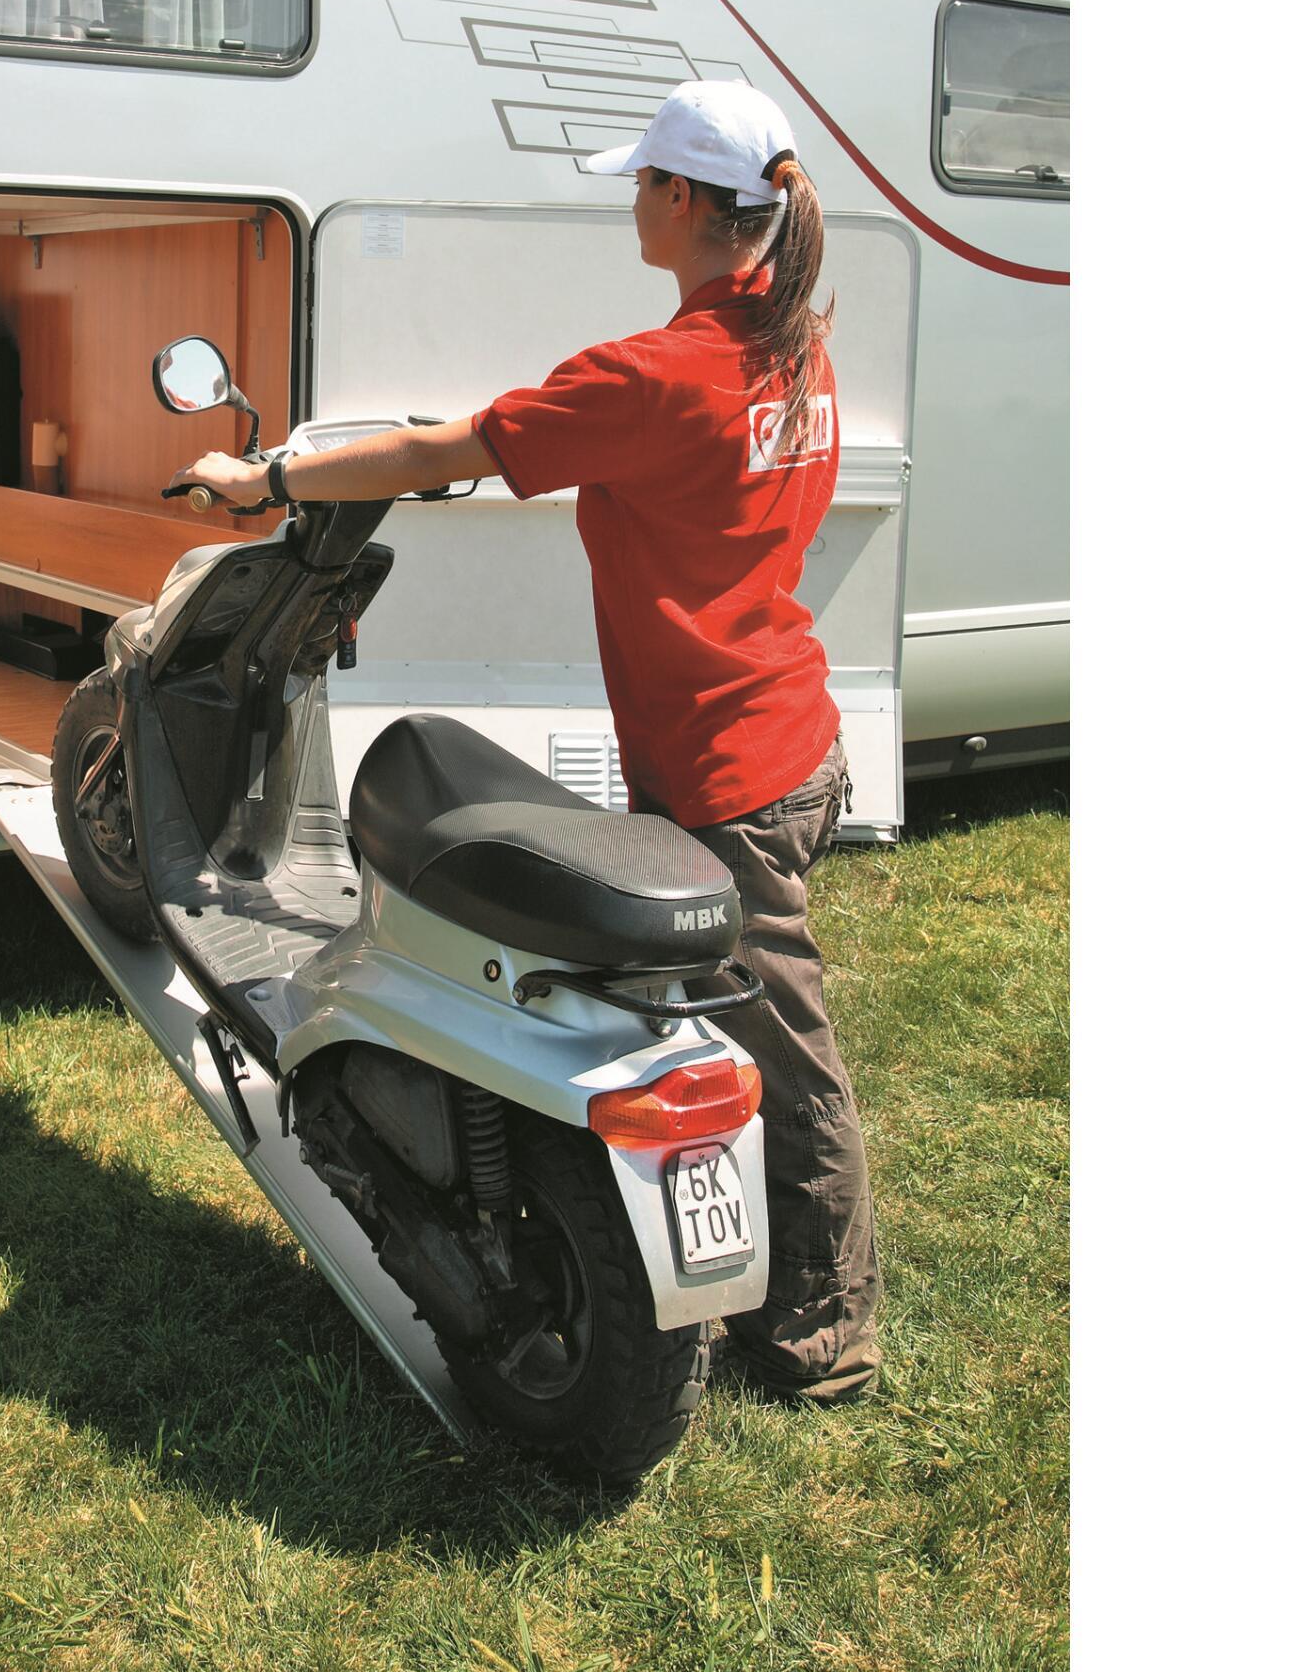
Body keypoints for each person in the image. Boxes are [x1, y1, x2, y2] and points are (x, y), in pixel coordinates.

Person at [170, 80, 879, 1403]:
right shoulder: (793, 348)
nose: (632, 202)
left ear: (685, 199)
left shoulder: (657, 375)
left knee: (782, 1051)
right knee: (723, 1023)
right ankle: (688, 1249)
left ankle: (823, 1331)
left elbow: (447, 447)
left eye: (644, 182)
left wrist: (261, 480)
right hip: (788, 731)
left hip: (726, 772)